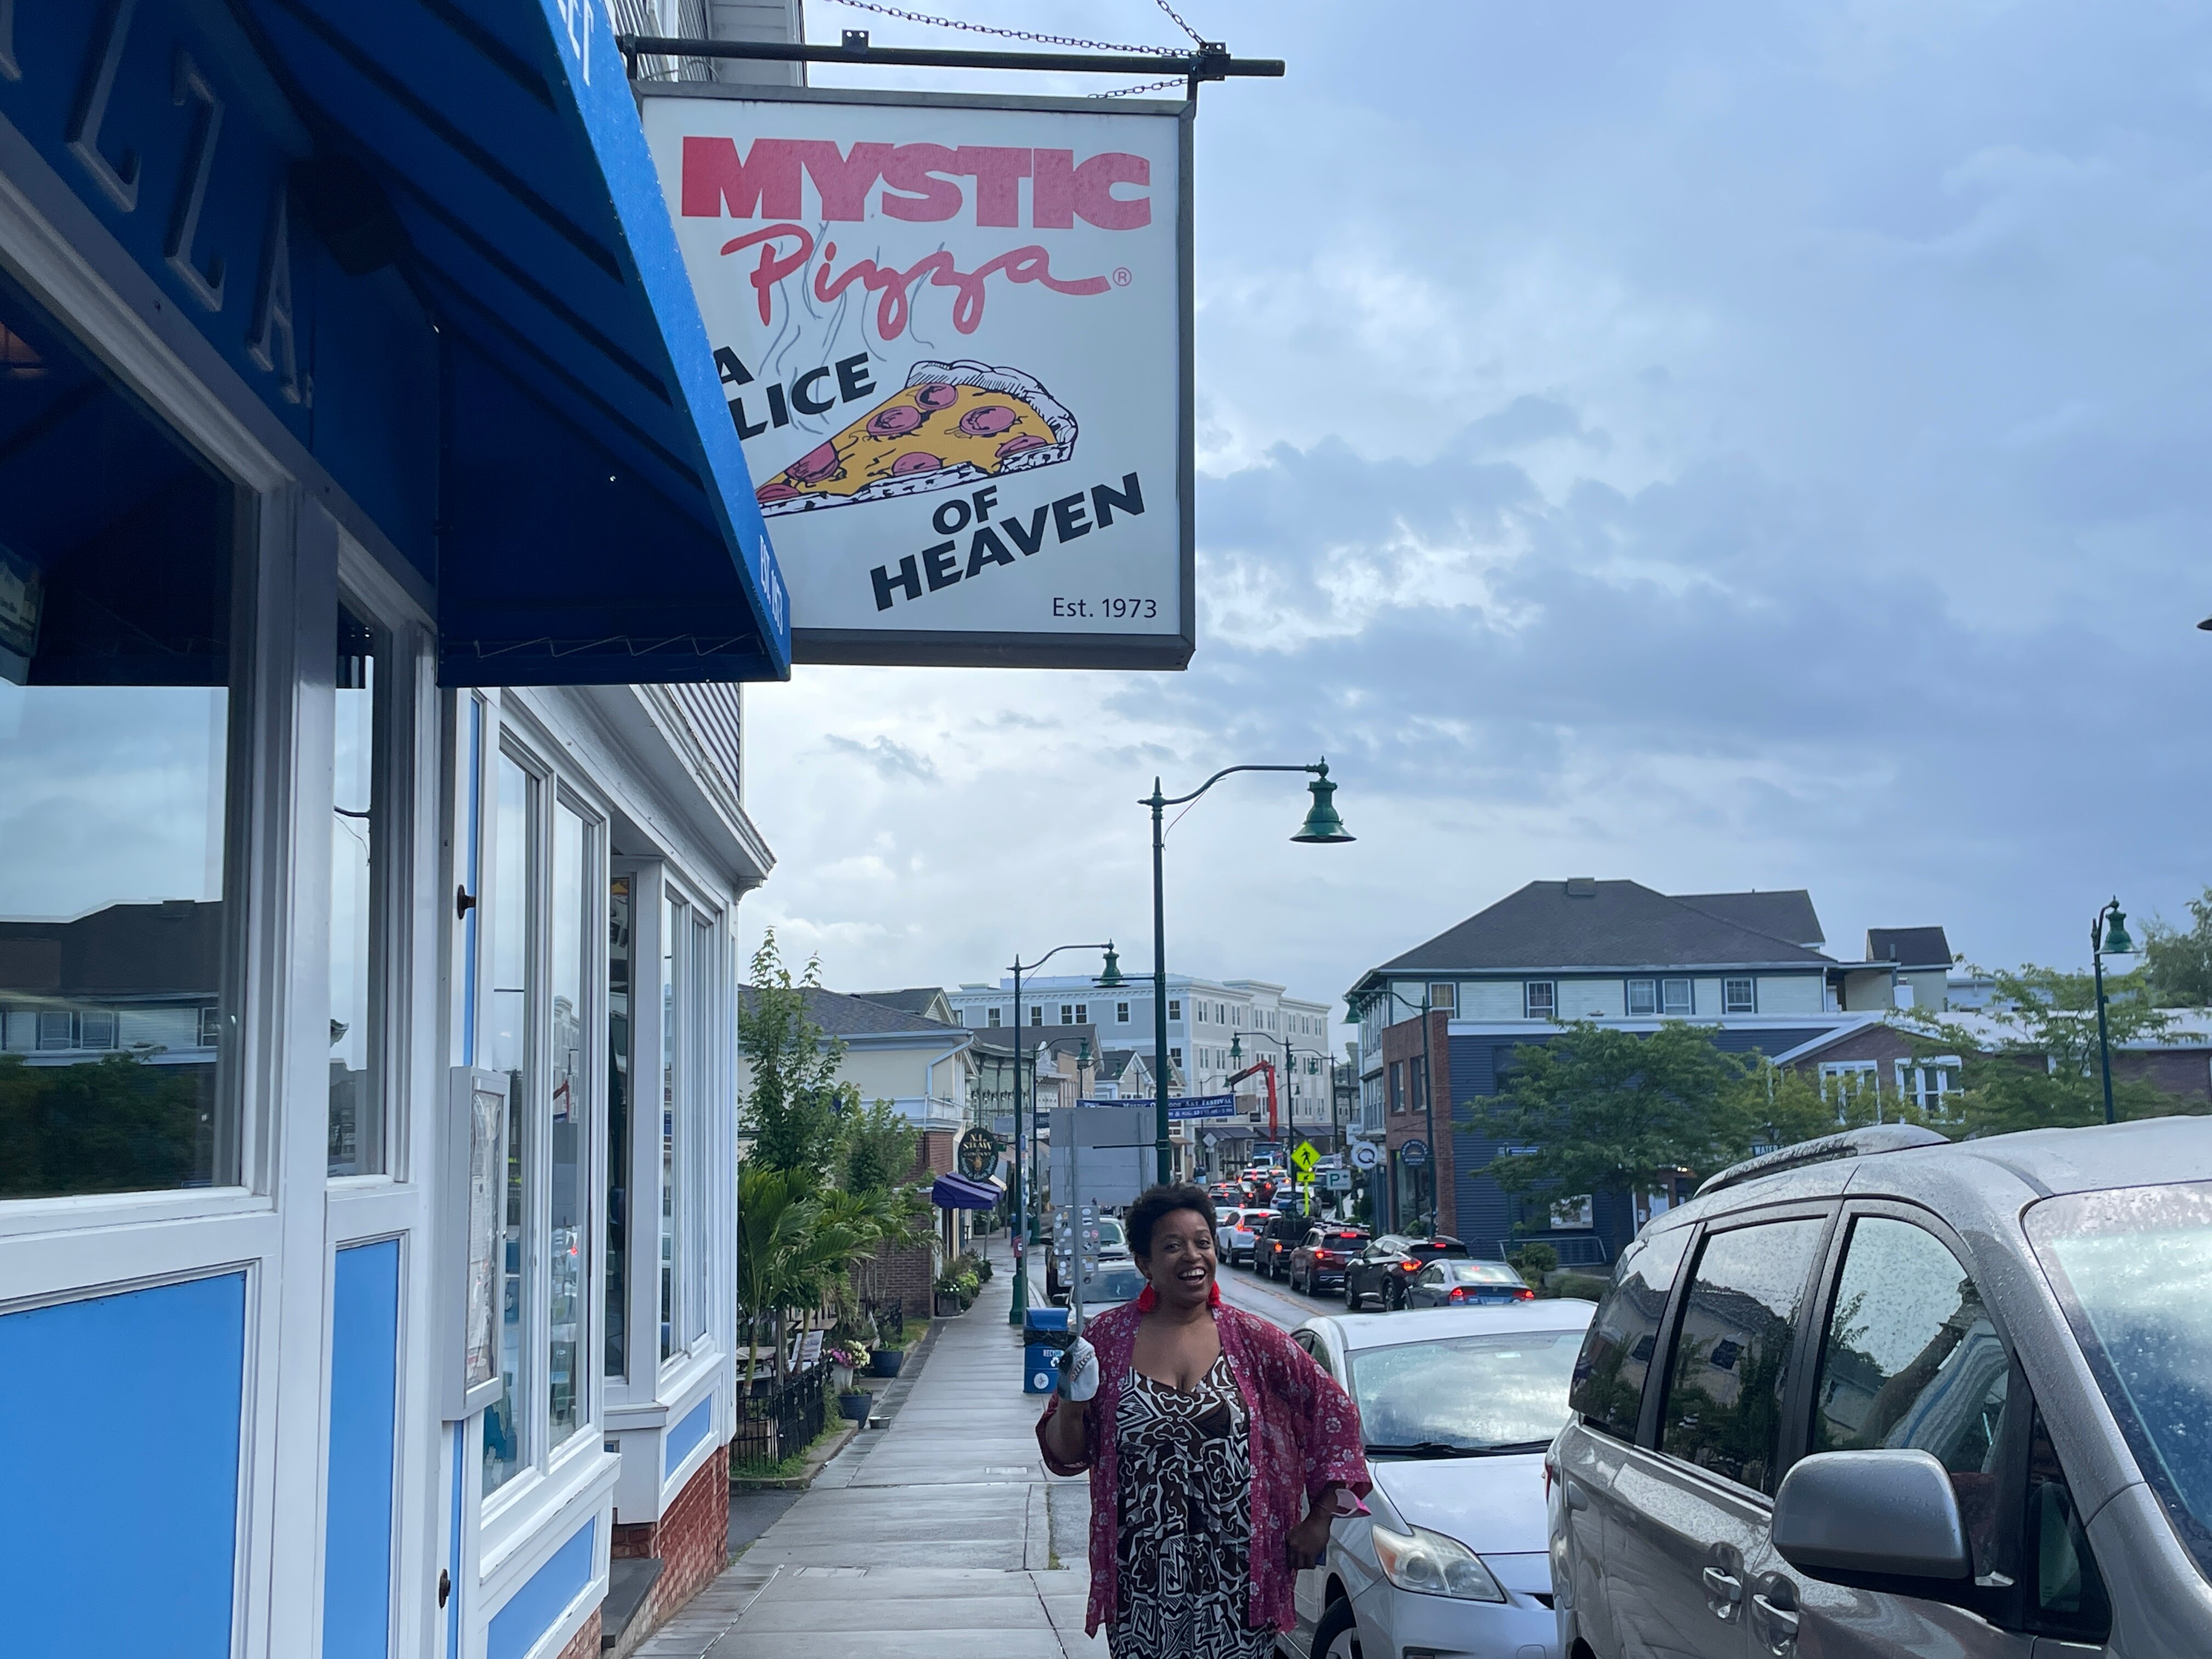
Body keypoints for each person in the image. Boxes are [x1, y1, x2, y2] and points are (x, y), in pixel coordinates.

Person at [1037, 1182, 1370, 1658]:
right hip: (1142, 1585)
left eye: (1202, 1242)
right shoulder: (1107, 1341)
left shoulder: (1255, 1341)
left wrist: (1318, 1519)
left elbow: (1333, 1415)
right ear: (1144, 1263)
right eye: (1172, 1246)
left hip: (1240, 1580)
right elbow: (1066, 1455)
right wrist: (1073, 1400)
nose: (1192, 1256)